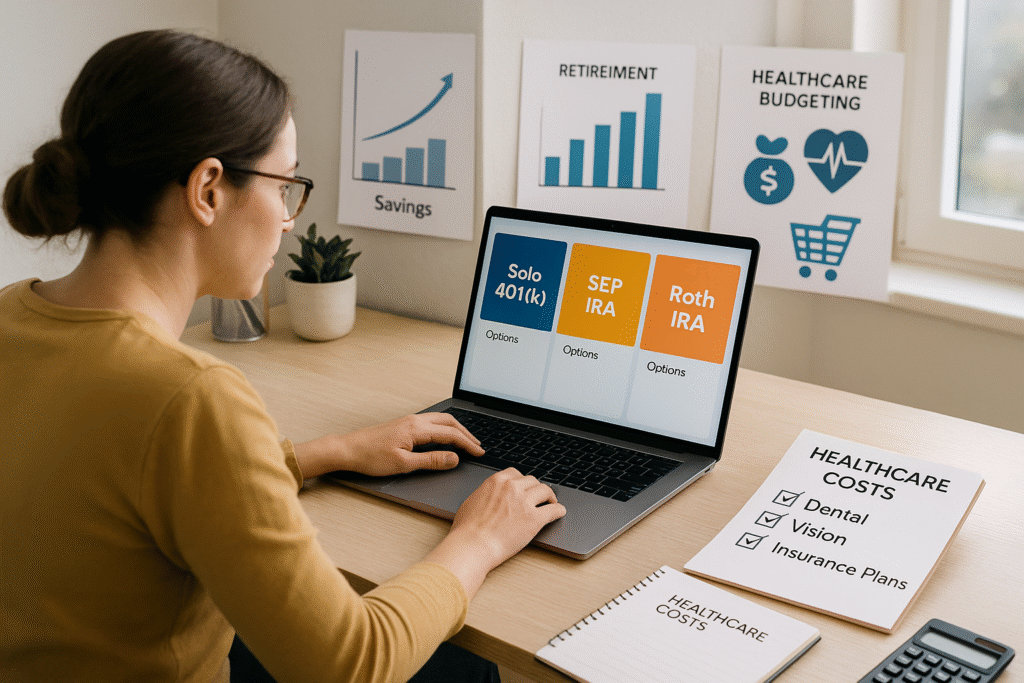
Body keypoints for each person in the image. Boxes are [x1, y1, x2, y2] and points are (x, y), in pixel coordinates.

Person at [0, 29, 565, 683]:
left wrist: (327, 453)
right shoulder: (189, 396)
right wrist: (480, 539)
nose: (289, 218)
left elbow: (132, 479)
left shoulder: (13, 314)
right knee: (465, 664)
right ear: (208, 189)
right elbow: (352, 664)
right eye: (284, 185)